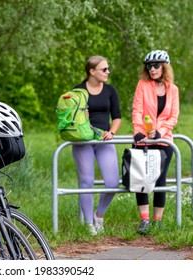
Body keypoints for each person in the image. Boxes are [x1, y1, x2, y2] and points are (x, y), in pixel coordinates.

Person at [72, 55, 122, 235]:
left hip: (104, 140)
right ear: (92, 71)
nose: (108, 72)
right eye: (104, 69)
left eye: (108, 69)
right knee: (86, 182)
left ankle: (98, 215)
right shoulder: (78, 91)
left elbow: (116, 117)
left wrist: (112, 132)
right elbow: (73, 117)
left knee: (112, 182)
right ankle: (88, 224)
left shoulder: (110, 90)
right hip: (84, 141)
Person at [131, 50, 180, 234]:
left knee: (160, 180)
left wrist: (160, 131)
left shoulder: (173, 90)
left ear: (164, 67)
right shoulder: (142, 85)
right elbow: (137, 109)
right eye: (149, 66)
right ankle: (144, 220)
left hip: (163, 140)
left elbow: (173, 116)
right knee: (140, 178)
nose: (152, 69)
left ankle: (157, 221)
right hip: (143, 139)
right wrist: (138, 130)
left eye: (156, 65)